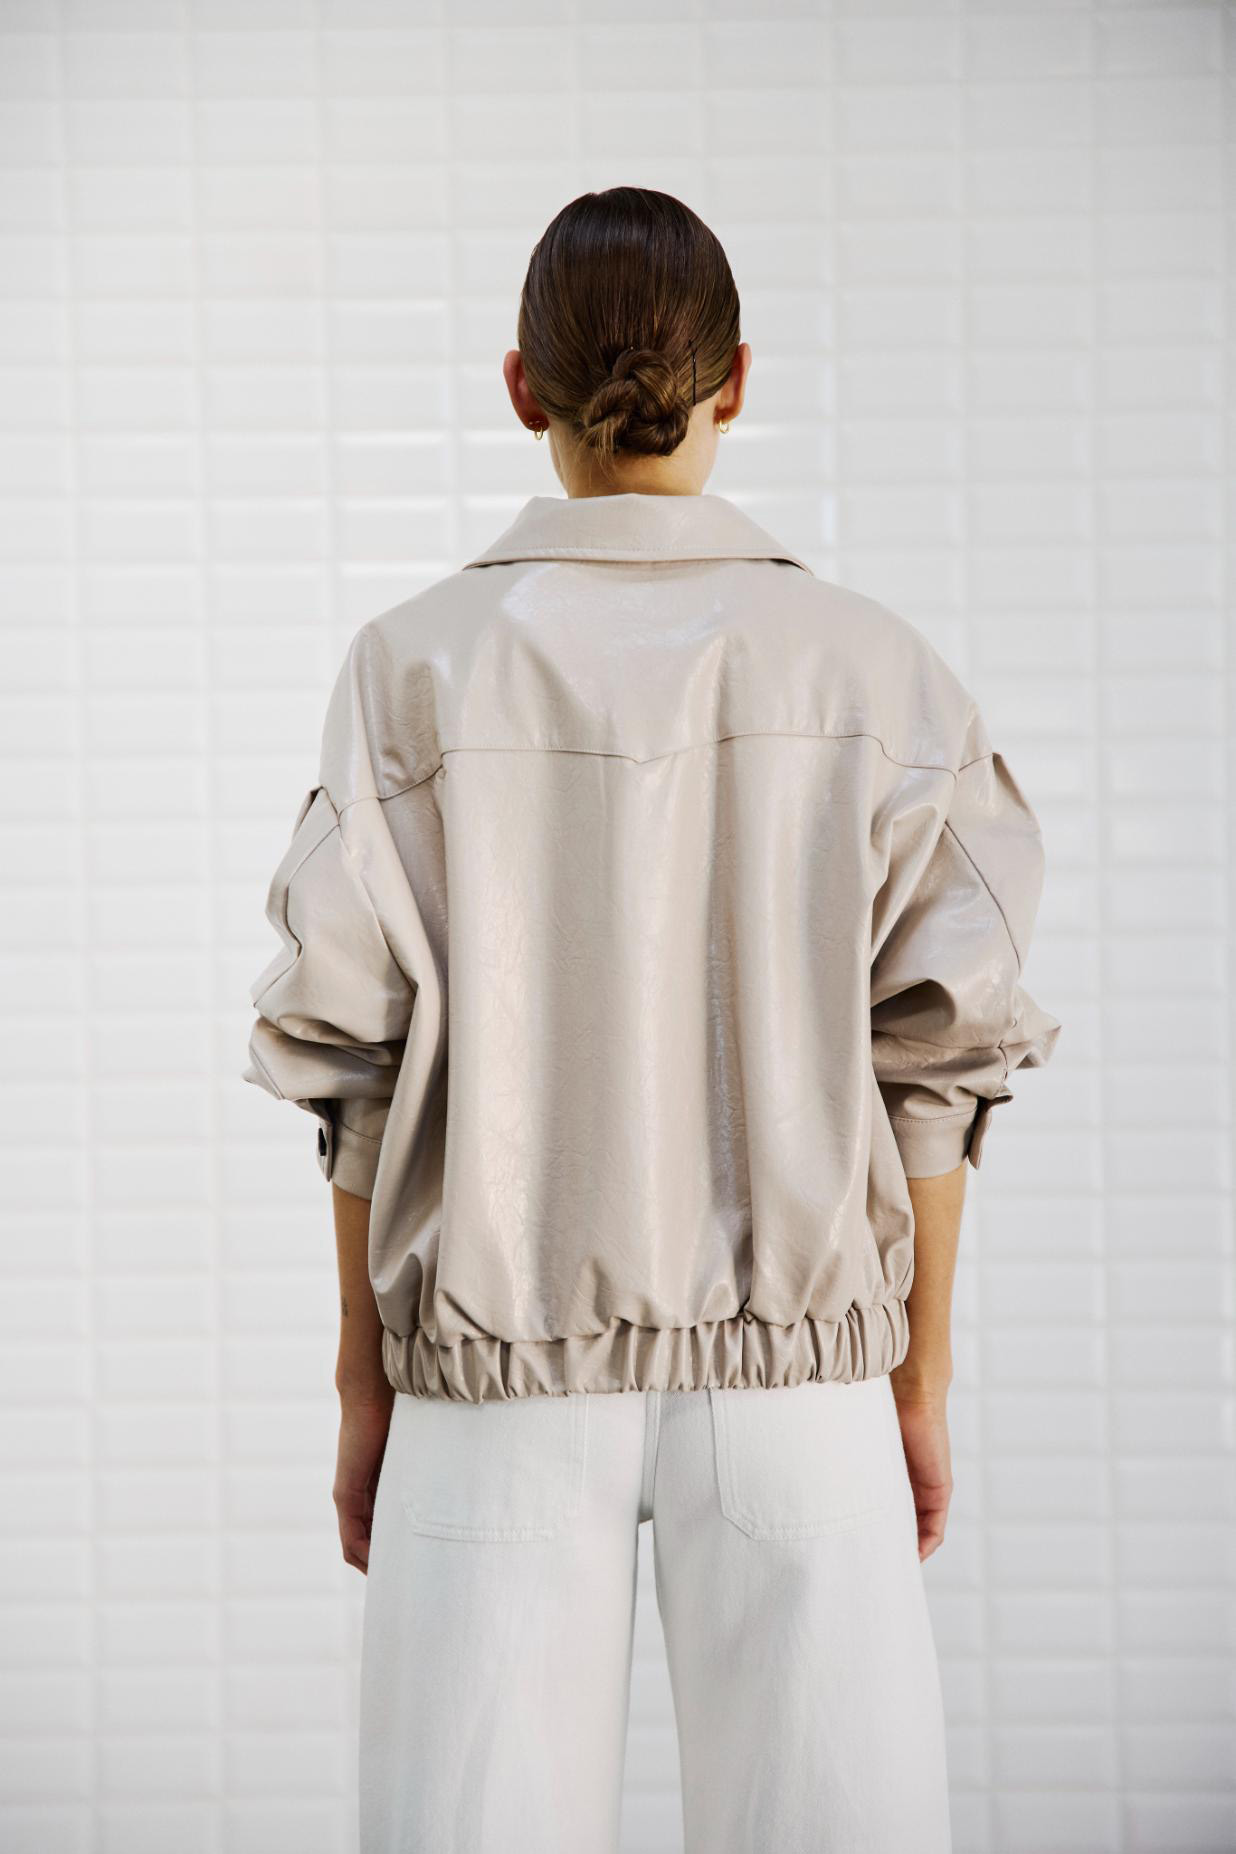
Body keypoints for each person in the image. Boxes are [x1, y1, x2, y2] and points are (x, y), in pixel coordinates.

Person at [244, 186, 1061, 1854]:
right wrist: (918, 1373)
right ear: (737, 379)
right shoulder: (871, 666)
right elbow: (941, 1053)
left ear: (520, 387)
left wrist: (364, 1381)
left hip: (491, 1393)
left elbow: (353, 1064)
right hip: (800, 1396)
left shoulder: (413, 668)